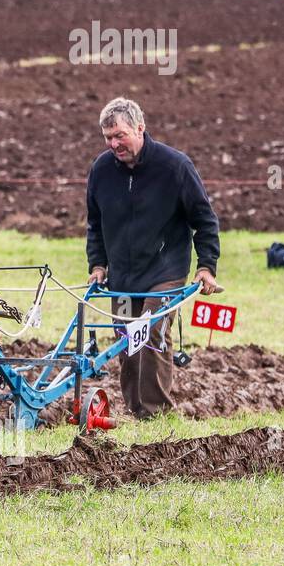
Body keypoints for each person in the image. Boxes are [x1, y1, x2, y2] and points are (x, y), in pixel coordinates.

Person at [86, 97, 222, 419]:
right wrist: (98, 264)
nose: (114, 144)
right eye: (108, 137)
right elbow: (95, 222)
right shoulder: (101, 170)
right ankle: (138, 413)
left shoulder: (174, 167)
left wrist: (206, 266)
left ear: (140, 128)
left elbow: (204, 220)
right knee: (126, 344)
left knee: (151, 337)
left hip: (165, 271)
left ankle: (157, 413)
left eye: (120, 135)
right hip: (121, 275)